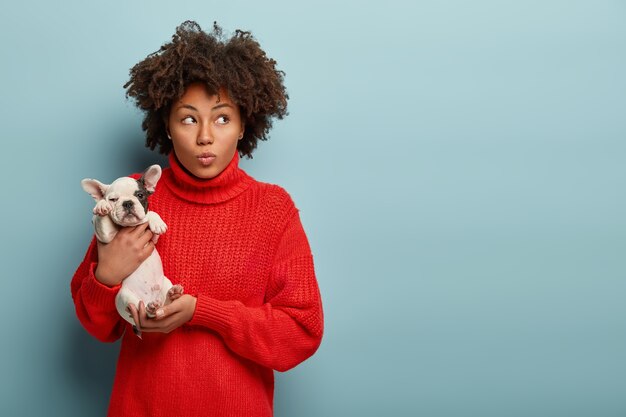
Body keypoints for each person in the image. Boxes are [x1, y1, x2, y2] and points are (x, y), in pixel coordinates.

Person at [70, 20, 323, 417]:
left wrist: (203, 312)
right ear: (166, 127)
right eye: (188, 118)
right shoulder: (132, 197)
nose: (205, 135)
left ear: (244, 124)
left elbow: (301, 332)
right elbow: (98, 326)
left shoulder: (273, 209)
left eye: (222, 118)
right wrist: (106, 275)